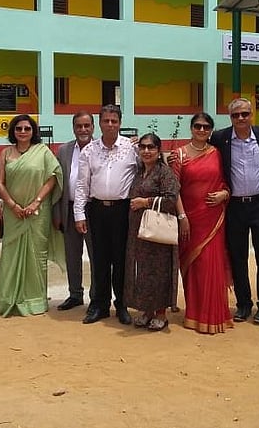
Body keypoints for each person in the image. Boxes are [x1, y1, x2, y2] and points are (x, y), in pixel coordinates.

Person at [210, 97, 259, 324]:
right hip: (235, 207)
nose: (241, 118)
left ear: (252, 114)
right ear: (230, 118)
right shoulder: (220, 138)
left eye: (245, 114)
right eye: (236, 115)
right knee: (237, 257)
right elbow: (203, 153)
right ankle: (243, 304)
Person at [0, 115, 65, 315]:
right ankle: (9, 298)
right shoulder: (6, 153)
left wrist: (36, 202)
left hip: (37, 213)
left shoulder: (43, 152)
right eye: (18, 128)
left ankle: (35, 301)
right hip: (13, 213)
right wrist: (12, 205)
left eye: (27, 128)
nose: (23, 132)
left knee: (36, 256)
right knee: (10, 255)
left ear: (33, 131)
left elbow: (53, 178)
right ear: (13, 131)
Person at [74, 104, 138, 325]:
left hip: (123, 211)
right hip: (97, 211)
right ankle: (99, 305)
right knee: (99, 260)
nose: (110, 125)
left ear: (120, 123)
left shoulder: (132, 148)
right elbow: (82, 185)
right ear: (99, 124)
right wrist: (79, 215)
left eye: (114, 121)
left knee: (121, 260)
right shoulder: (89, 151)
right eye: (106, 121)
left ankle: (122, 304)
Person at [172, 112, 233, 334]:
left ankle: (214, 315)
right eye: (197, 126)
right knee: (193, 267)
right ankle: (194, 314)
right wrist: (182, 217)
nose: (201, 130)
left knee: (211, 266)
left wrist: (224, 195)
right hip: (189, 220)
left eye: (206, 127)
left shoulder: (217, 153)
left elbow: (227, 182)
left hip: (214, 219)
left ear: (210, 130)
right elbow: (174, 190)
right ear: (191, 128)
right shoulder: (178, 156)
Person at [124, 133, 180, 331]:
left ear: (158, 151)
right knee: (144, 271)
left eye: (151, 147)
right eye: (143, 147)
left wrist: (146, 202)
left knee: (159, 271)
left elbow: (171, 199)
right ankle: (146, 310)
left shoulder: (164, 173)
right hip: (138, 230)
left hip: (157, 230)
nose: (146, 151)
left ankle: (161, 313)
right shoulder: (139, 172)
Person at [52, 111, 95, 310]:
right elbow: (58, 184)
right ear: (73, 128)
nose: (83, 130)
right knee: (72, 255)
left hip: (93, 210)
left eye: (87, 126)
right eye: (79, 126)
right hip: (68, 210)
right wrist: (57, 214)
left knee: (97, 256)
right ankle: (75, 294)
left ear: (93, 127)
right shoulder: (64, 150)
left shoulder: (100, 148)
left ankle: (97, 296)